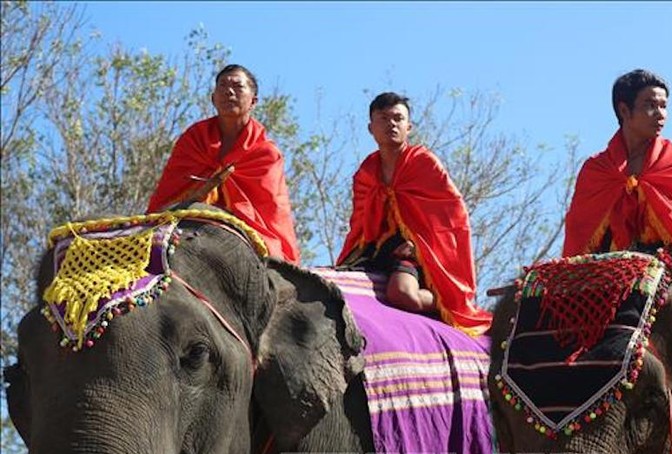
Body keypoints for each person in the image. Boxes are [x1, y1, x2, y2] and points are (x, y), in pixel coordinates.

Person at [562, 69, 672, 304]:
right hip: (606, 270)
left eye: (664, 106)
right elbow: (579, 231)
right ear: (624, 110)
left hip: (670, 272)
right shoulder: (596, 170)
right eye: (651, 105)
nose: (660, 114)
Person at [336, 92, 491, 335]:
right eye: (384, 118)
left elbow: (451, 220)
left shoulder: (424, 164)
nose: (391, 124)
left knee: (403, 295)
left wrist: (416, 245)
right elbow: (360, 223)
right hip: (376, 249)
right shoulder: (366, 171)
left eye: (398, 118)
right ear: (370, 127)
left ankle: (444, 303)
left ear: (409, 126)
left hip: (418, 253)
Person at [148, 64, 301, 264]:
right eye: (222, 86)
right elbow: (169, 193)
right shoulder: (193, 139)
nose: (229, 91)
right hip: (189, 220)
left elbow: (272, 213)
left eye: (238, 87)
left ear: (253, 101)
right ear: (213, 99)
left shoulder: (266, 154)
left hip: (247, 232)